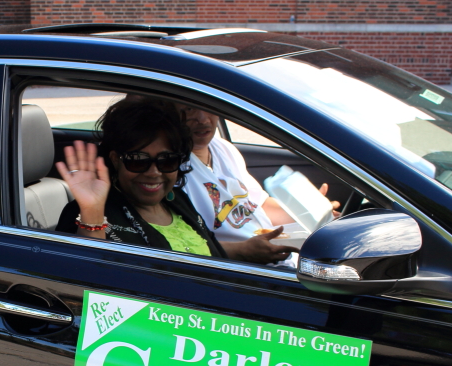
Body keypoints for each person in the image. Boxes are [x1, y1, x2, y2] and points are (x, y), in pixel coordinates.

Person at [55, 96, 293, 264]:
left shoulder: (176, 201)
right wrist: (93, 212)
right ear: (116, 159)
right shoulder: (88, 211)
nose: (153, 172)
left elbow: (213, 258)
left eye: (167, 160)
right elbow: (91, 282)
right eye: (138, 160)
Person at [179, 102, 339, 267]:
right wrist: (243, 251)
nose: (203, 119)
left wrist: (311, 211)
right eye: (190, 109)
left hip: (275, 257)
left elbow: (257, 205)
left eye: (208, 106)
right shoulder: (171, 170)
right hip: (239, 269)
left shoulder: (223, 149)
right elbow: (182, 246)